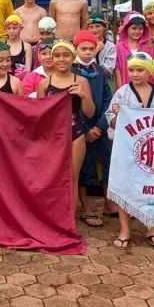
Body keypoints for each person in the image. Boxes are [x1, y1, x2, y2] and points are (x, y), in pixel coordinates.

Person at [106, 52, 154, 249]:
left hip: (151, 151)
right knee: (125, 188)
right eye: (132, 70)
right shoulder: (122, 93)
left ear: (149, 72)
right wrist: (117, 116)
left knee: (152, 188)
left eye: (140, 70)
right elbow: (111, 120)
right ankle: (125, 230)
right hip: (126, 150)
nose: (135, 74)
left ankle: (151, 227)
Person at [37, 39, 94, 212]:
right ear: (52, 58)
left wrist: (84, 96)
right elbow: (39, 116)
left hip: (75, 134)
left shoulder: (81, 81)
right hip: (52, 136)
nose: (61, 59)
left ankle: (69, 220)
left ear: (73, 57)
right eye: (57, 56)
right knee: (52, 178)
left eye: (66, 55)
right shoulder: (44, 83)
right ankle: (53, 216)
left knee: (72, 178)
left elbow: (90, 113)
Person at [73, 31, 114, 228]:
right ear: (76, 49)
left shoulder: (99, 71)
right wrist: (87, 128)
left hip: (101, 128)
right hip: (81, 130)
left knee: (108, 163)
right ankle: (86, 207)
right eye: (84, 49)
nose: (88, 53)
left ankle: (108, 203)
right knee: (83, 167)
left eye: (91, 49)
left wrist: (100, 125)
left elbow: (108, 99)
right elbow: (73, 104)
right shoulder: (72, 71)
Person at [114, 11, 154, 88]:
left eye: (140, 28)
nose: (137, 31)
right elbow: (117, 69)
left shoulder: (149, 46)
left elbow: (152, 68)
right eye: (134, 28)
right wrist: (121, 88)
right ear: (126, 29)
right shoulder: (119, 47)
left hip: (145, 88)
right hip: (125, 87)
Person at [4, 14, 31, 79]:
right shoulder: (2, 46)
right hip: (6, 80)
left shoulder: (27, 46)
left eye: (14, 28)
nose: (11, 31)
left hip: (21, 80)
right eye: (8, 28)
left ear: (21, 28)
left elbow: (28, 70)